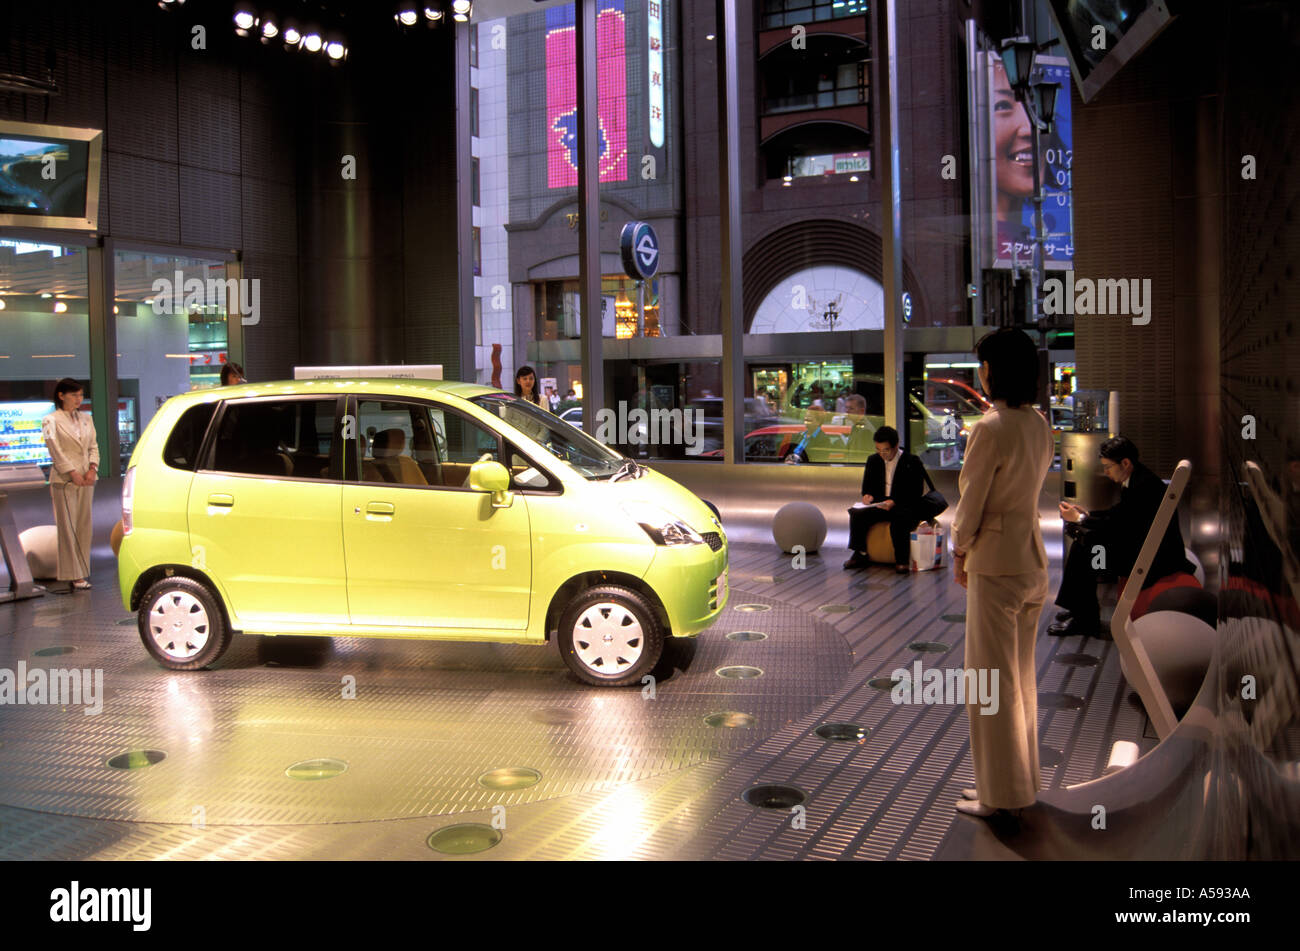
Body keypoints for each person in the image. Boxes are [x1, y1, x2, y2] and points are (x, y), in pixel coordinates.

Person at [949, 328, 1055, 821]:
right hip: (1032, 560)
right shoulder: (1038, 424)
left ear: (997, 370)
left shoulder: (989, 429)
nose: (982, 373)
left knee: (988, 683)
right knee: (1020, 680)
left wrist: (958, 549)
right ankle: (1021, 782)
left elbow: (970, 506)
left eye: (985, 364)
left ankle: (999, 795)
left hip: (995, 564)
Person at [1048, 436, 1195, 637]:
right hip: (1143, 549)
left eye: (1108, 467)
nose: (1106, 472)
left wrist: (1081, 519)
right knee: (1085, 544)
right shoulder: (1140, 479)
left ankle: (1085, 619)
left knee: (1086, 550)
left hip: (1151, 561)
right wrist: (1088, 516)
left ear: (1125, 463)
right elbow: (1120, 515)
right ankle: (1079, 611)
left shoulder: (1143, 486)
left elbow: (1119, 525)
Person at [843, 425, 930, 574]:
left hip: (903, 504)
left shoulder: (911, 461)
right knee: (856, 513)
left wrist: (895, 501)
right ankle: (860, 553)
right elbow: (867, 487)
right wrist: (867, 496)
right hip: (881, 504)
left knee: (899, 521)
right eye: (878, 450)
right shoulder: (873, 460)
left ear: (895, 446)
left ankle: (901, 559)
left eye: (886, 450)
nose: (882, 454)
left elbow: (916, 491)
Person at [41, 378, 99, 592]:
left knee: (84, 525)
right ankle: (73, 575)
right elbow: (54, 450)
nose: (79, 399)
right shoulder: (50, 420)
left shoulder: (86, 419)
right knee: (68, 528)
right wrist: (72, 472)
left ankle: (82, 570)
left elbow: (93, 446)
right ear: (61, 395)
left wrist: (93, 468)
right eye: (74, 395)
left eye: (81, 395)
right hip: (65, 481)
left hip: (87, 479)